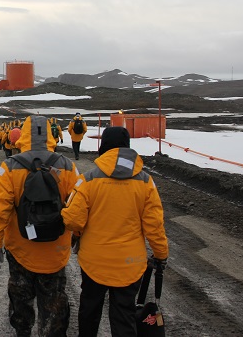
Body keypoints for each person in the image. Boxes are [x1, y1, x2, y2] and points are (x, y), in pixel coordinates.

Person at [62, 126, 169, 336]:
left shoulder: (88, 180)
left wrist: (79, 232)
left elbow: (73, 219)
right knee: (124, 314)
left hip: (94, 262)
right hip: (130, 263)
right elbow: (154, 226)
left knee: (89, 310)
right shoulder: (146, 182)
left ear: (103, 147)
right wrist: (161, 254)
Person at [0, 115, 80, 336]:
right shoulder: (67, 166)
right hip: (55, 250)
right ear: (50, 134)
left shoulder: (9, 167)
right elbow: (78, 208)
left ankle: (22, 329)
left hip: (20, 250)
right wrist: (77, 235)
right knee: (54, 303)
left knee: (20, 298)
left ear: (23, 135)